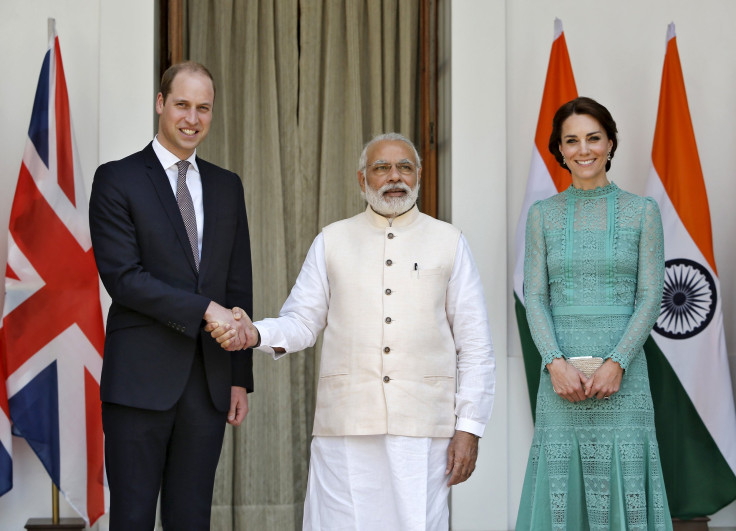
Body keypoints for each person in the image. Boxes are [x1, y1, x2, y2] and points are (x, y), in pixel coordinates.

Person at [208, 132, 495, 530]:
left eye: (404, 167)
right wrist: (253, 333)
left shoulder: (450, 241)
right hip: (345, 427)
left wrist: (469, 428)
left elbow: (476, 346)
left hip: (424, 429)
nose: (394, 176)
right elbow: (303, 321)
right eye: (382, 168)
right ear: (363, 180)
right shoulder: (332, 240)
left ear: (419, 176)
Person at [88, 61, 253, 530]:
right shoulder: (117, 179)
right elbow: (125, 278)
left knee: (191, 519)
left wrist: (239, 376)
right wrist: (205, 309)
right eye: (182, 104)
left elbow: (238, 285)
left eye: (204, 108)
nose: (192, 118)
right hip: (139, 383)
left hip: (208, 384)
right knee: (133, 518)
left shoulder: (227, 186)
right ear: (161, 104)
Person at [516, 97, 672, 530]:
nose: (583, 150)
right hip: (560, 377)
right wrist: (555, 363)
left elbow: (650, 296)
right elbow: (537, 298)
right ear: (559, 150)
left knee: (625, 477)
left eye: (593, 138)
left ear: (610, 143)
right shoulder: (542, 216)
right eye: (572, 141)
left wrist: (617, 363)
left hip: (624, 375)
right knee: (561, 483)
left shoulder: (644, 212)